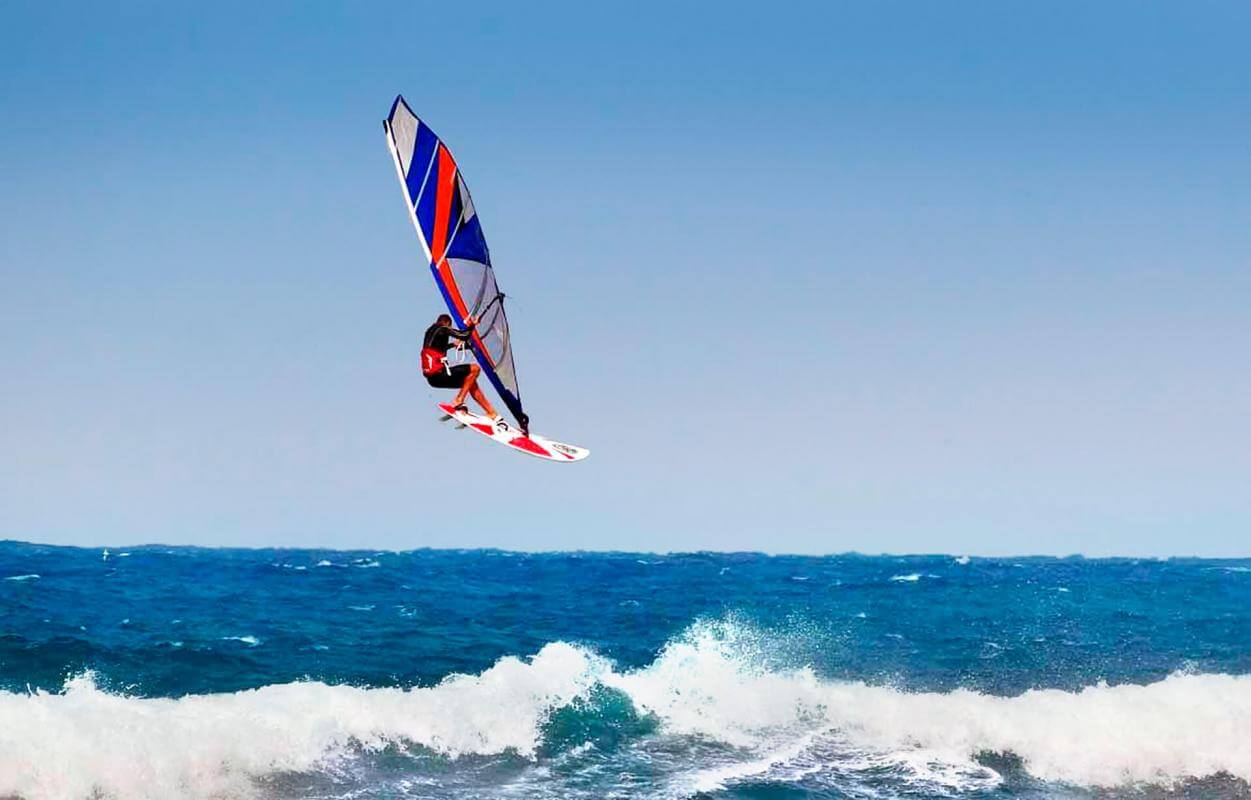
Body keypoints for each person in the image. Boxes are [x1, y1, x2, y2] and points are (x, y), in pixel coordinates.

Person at [421, 313, 502, 423]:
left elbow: (436, 348)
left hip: (433, 380)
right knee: (475, 369)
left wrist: (453, 345)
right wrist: (473, 324)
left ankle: (492, 413)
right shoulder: (443, 328)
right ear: (447, 324)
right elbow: (464, 335)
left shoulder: (430, 332)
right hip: (440, 374)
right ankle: (459, 400)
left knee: (470, 381)